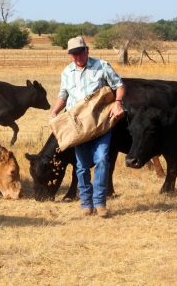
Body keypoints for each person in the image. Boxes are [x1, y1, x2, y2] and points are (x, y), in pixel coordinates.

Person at [50, 36, 125, 217]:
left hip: (100, 123)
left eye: (80, 52)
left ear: (87, 50)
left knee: (101, 159)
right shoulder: (67, 72)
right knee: (82, 165)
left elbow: (119, 85)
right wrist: (54, 112)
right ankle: (86, 202)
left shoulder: (101, 66)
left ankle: (100, 203)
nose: (77, 57)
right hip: (78, 126)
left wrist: (117, 103)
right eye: (73, 54)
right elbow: (63, 95)